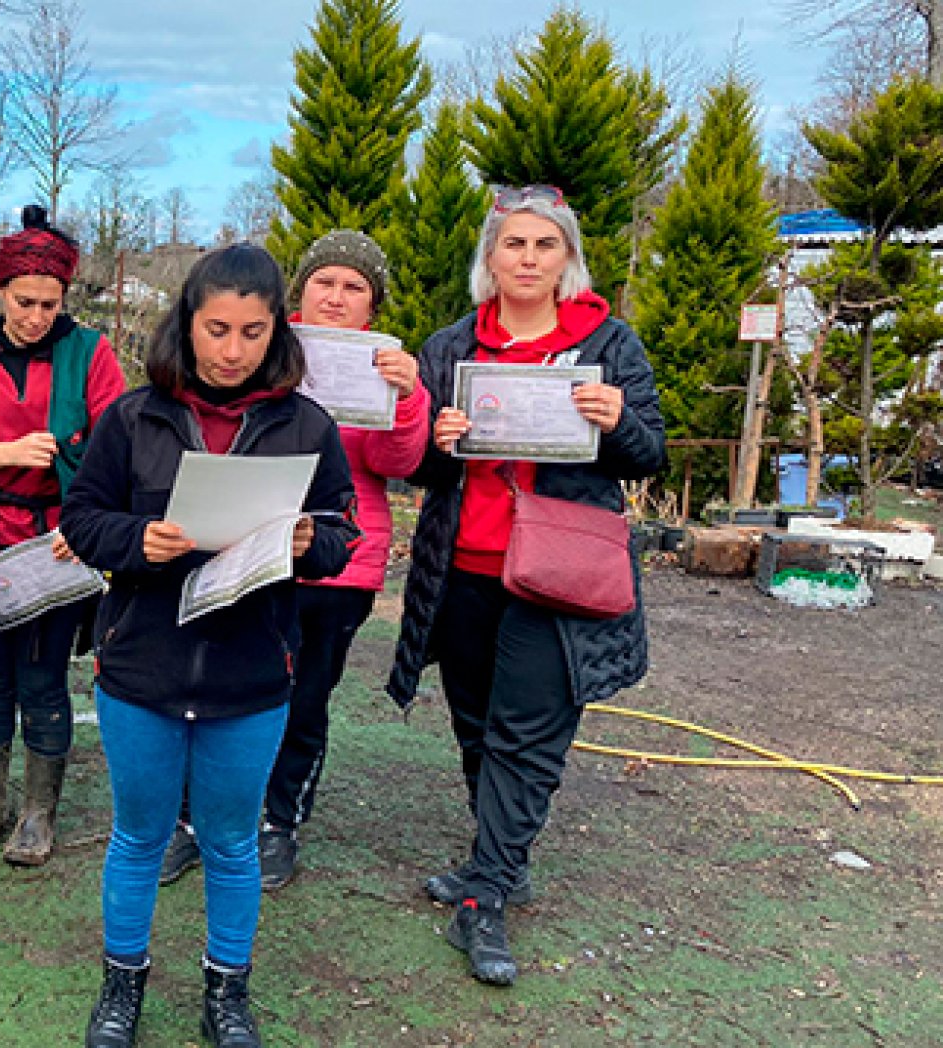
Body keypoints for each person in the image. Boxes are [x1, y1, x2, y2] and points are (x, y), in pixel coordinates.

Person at [61, 243, 361, 1048]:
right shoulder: (132, 418)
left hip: (250, 673)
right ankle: (121, 985)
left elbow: (341, 532)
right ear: (186, 323)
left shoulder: (307, 426)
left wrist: (306, 542)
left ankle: (226, 991)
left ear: (276, 334)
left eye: (252, 332)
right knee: (138, 837)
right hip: (140, 670)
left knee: (231, 843)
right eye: (216, 329)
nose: (231, 351)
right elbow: (81, 519)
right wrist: (137, 541)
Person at [388, 186, 665, 986]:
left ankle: (482, 900)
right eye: (513, 245)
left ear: (566, 258)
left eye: (545, 245)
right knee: (475, 727)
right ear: (489, 258)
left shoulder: (608, 343)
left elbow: (648, 456)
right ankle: (501, 860)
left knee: (527, 737)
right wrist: (437, 441)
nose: (528, 259)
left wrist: (616, 422)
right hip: (464, 569)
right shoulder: (450, 346)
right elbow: (421, 470)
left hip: (557, 571)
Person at [161, 231, 430, 892]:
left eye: (353, 287)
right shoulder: (256, 347)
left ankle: (278, 823)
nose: (335, 298)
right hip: (241, 549)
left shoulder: (384, 365)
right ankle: (194, 821)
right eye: (323, 283)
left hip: (336, 566)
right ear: (299, 290)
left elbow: (398, 465)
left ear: (372, 303)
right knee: (212, 684)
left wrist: (407, 400)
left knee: (304, 699)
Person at [0, 205, 127, 867]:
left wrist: (87, 523)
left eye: (49, 303)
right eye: (23, 301)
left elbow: (117, 443)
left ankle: (38, 813)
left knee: (41, 682)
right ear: (0, 291)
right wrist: (9, 452)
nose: (36, 315)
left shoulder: (91, 353)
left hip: (56, 547)